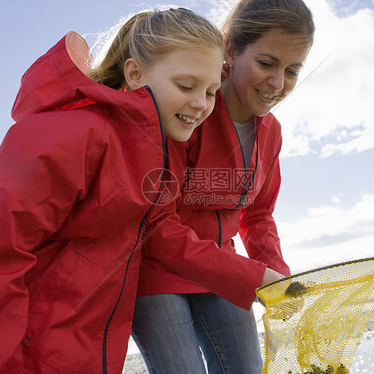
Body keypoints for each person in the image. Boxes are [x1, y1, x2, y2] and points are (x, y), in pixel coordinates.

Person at [0, 8, 282, 374]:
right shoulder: (67, 136)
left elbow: (163, 235)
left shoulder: (158, 154)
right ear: (135, 73)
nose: (200, 104)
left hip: (89, 352)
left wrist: (259, 277)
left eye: (209, 92)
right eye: (185, 86)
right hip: (29, 354)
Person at [133, 0, 315, 373]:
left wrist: (277, 276)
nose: (278, 83)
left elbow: (259, 214)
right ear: (230, 49)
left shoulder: (271, 133)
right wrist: (251, 277)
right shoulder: (188, 113)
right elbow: (157, 227)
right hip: (156, 269)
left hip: (223, 270)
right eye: (266, 64)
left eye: (293, 70)